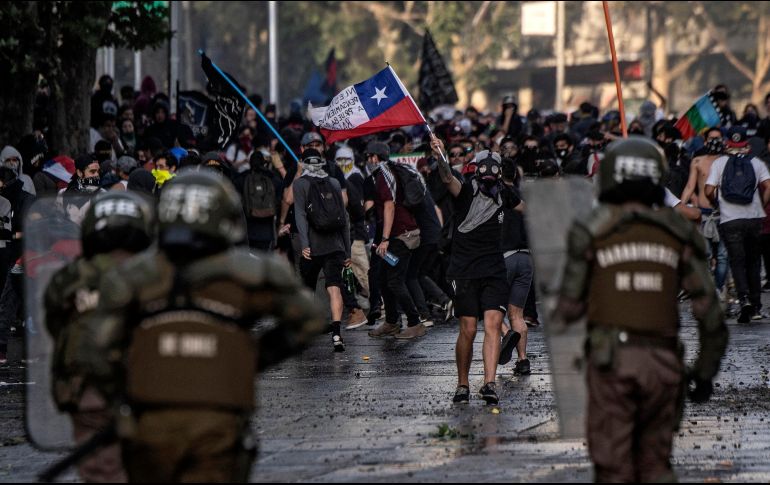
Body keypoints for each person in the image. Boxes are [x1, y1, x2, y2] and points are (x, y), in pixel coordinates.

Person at [79, 170, 324, 482]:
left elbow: (97, 350)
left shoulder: (132, 276)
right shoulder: (250, 272)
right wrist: (253, 357)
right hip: (217, 419)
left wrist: (130, 387)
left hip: (150, 419)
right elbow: (311, 317)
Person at [556, 136, 727, 482]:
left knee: (613, 469)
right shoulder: (679, 232)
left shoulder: (591, 230)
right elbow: (710, 312)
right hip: (664, 364)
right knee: (656, 466)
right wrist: (705, 370)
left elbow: (567, 309)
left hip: (610, 364)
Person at [45, 191, 155, 482]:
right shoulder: (158, 273)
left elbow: (55, 322)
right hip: (151, 386)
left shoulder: (71, 276)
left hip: (88, 392)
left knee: (100, 470)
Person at [431, 137, 524, 406]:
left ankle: (489, 383)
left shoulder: (504, 193)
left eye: (494, 174)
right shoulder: (467, 190)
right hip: (464, 270)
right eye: (484, 172)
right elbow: (448, 179)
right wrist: (441, 155)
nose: (489, 180)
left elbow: (525, 208)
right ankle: (462, 384)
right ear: (476, 171)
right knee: (469, 329)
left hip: (494, 268)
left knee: (493, 325)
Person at [705, 126, 770, 322]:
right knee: (753, 261)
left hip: (729, 220)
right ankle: (757, 306)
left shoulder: (719, 163)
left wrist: (717, 203)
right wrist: (762, 205)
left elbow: (709, 190)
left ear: (727, 144)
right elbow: (768, 187)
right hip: (754, 218)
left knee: (737, 261)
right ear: (746, 144)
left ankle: (743, 300)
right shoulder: (756, 163)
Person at [293, 149, 351, 351]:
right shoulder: (334, 183)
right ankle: (336, 335)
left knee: (307, 289)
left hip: (314, 246)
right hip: (335, 245)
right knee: (334, 288)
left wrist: (304, 244)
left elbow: (300, 215)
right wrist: (347, 251)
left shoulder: (300, 184)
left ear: (303, 163)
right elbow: (344, 219)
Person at [366, 142, 425, 340]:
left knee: (394, 280)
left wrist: (384, 239)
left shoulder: (384, 175)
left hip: (401, 235)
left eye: (369, 156)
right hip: (397, 234)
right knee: (382, 278)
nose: (368, 161)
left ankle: (415, 322)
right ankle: (391, 322)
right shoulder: (389, 171)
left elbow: (389, 206)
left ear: (375, 157)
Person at [679, 127, 729, 296]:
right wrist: (681, 206)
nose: (715, 142)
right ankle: (708, 291)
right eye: (711, 138)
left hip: (724, 213)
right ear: (706, 141)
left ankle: (719, 288)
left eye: (718, 138)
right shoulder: (697, 161)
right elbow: (689, 186)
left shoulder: (728, 160)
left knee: (722, 256)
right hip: (703, 213)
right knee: (705, 255)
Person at [497, 157, 531, 376]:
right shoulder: (525, 196)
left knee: (491, 309)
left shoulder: (496, 197)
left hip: (504, 258)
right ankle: (523, 359)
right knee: (517, 314)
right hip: (526, 258)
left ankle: (507, 334)